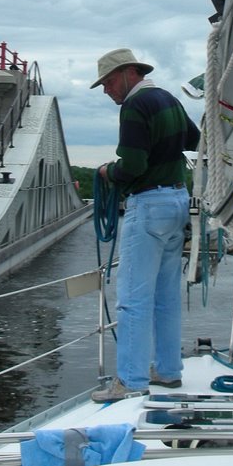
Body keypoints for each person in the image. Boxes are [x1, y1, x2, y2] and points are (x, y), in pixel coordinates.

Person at [90, 48, 201, 402]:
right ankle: (168, 371)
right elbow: (195, 140)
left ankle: (131, 381)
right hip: (178, 201)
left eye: (108, 82)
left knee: (133, 298)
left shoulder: (135, 106)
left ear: (128, 73)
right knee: (166, 296)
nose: (108, 91)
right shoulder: (167, 99)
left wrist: (109, 171)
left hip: (148, 205)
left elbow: (133, 166)